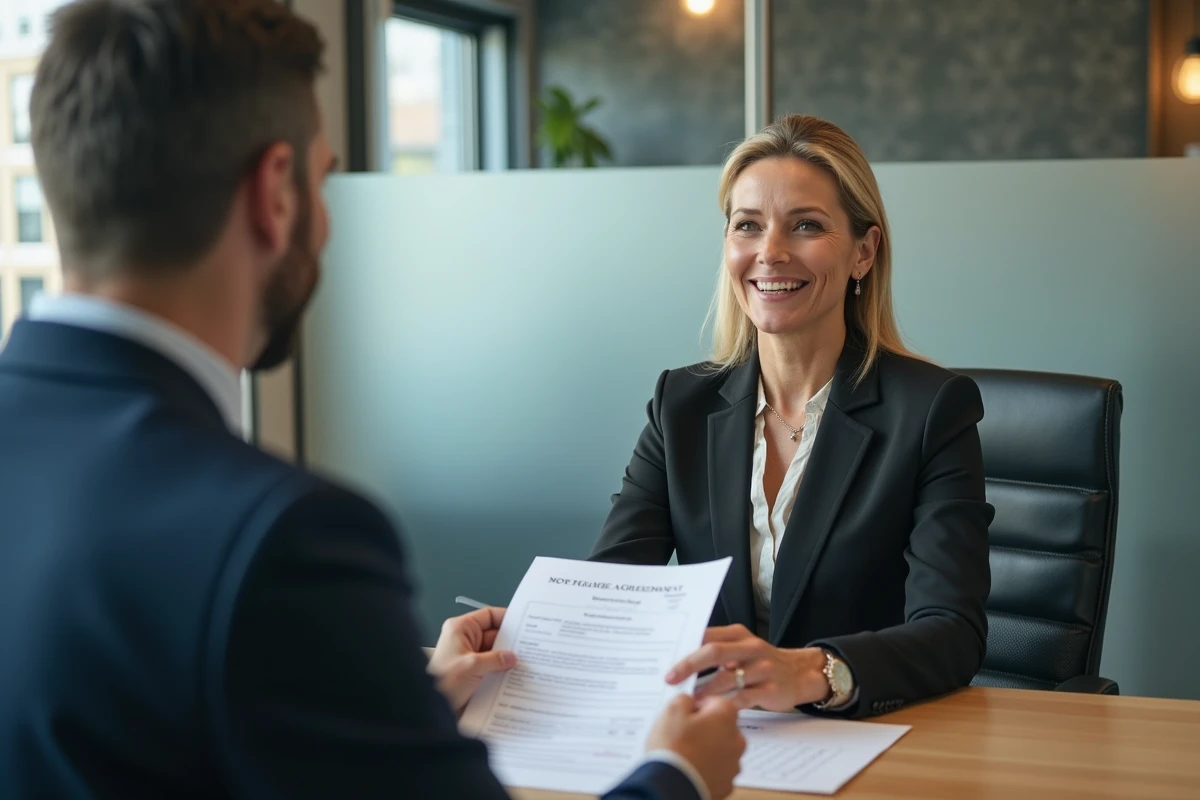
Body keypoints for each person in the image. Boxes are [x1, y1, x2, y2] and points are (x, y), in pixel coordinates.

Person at [0, 2, 744, 798]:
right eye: (323, 181)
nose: (326, 223)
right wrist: (675, 776)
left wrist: (399, 710)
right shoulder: (282, 540)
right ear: (274, 194)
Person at [591, 114, 994, 719]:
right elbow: (614, 594)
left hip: (870, 736)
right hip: (724, 738)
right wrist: (528, 629)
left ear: (864, 251)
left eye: (806, 225)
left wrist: (813, 671)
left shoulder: (932, 410)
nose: (770, 253)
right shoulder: (681, 404)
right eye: (747, 226)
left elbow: (952, 632)